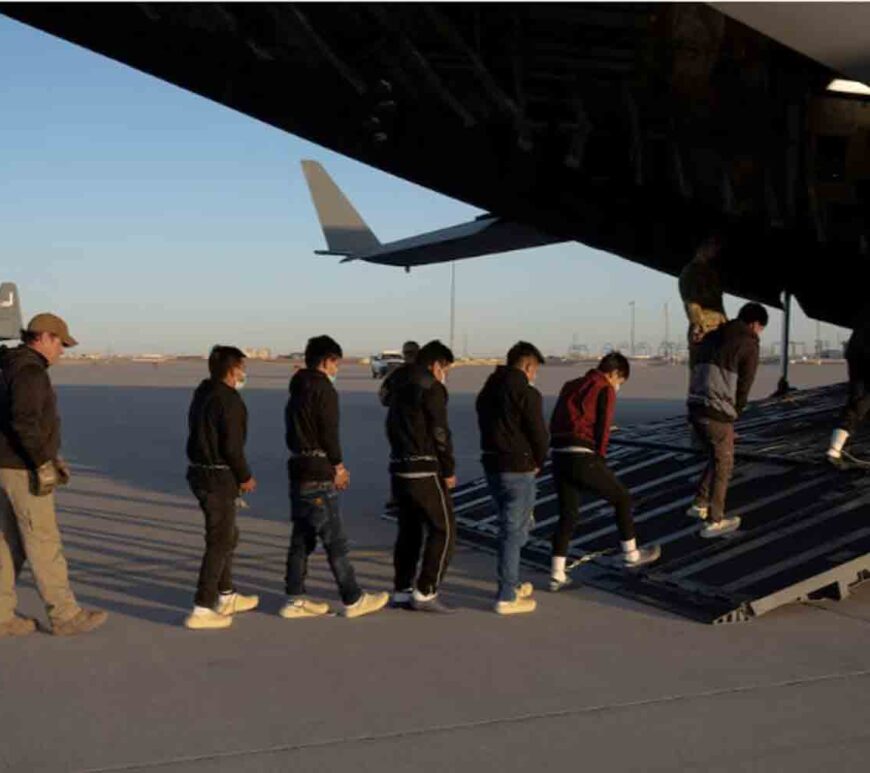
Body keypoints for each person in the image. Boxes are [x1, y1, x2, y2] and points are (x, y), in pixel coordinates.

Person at [0, 313, 108, 637]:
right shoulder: (30, 372)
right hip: (21, 470)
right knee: (43, 542)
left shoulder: (9, 366)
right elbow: (24, 422)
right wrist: (41, 462)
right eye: (60, 343)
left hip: (5, 466)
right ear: (44, 337)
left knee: (7, 544)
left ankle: (2, 616)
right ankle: (64, 615)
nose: (62, 350)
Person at [281, 335, 388, 619]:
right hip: (318, 470)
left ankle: (294, 598)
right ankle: (353, 598)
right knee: (335, 540)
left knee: (301, 538)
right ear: (327, 360)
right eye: (335, 363)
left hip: (298, 467)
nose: (336, 369)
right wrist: (338, 467)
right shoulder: (323, 390)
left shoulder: (297, 388)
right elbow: (329, 433)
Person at [549, 352, 660, 591]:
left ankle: (557, 574)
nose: (618, 386)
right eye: (620, 382)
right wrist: (599, 458)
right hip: (582, 454)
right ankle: (631, 554)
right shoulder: (604, 388)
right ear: (615, 373)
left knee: (568, 514)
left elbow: (555, 420)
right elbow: (603, 427)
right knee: (621, 497)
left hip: (559, 455)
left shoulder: (570, 385)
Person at [184, 345, 259, 630]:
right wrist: (245, 476)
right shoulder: (229, 401)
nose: (244, 373)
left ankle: (226, 595)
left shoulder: (202, 392)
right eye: (242, 367)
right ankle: (202, 607)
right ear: (232, 369)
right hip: (218, 477)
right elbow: (232, 446)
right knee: (219, 541)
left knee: (228, 534)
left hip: (199, 474)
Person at [476, 342, 548, 615]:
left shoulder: (487, 391)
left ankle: (512, 582)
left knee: (512, 525)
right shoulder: (527, 394)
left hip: (492, 463)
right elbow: (539, 433)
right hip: (519, 467)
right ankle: (506, 595)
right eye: (534, 370)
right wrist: (539, 460)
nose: (534, 375)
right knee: (513, 530)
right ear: (528, 366)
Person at [386, 339, 457, 613]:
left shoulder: (399, 383)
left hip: (399, 466)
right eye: (445, 368)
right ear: (435, 364)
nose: (445, 374)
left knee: (409, 531)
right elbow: (440, 431)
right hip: (424, 467)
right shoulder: (431, 387)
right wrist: (448, 468)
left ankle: (402, 589)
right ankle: (426, 590)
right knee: (445, 529)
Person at [687, 302, 768, 537]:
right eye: (761, 329)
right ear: (755, 324)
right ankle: (714, 520)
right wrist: (736, 412)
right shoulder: (749, 343)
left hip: (695, 404)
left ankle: (699, 503)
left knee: (716, 453)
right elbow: (745, 383)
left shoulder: (715, 335)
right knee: (725, 463)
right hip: (717, 409)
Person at [827, 305, 870, 467]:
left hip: (856, 353)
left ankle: (836, 447)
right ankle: (836, 449)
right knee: (862, 401)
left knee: (857, 399)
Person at [679, 235, 728, 367]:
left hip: (716, 329)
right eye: (713, 245)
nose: (716, 250)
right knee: (702, 376)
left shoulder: (710, 272)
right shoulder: (691, 272)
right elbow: (691, 303)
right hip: (705, 330)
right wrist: (699, 327)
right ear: (702, 247)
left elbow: (718, 305)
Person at [378, 339, 420, 407]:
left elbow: (384, 398)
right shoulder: (426, 375)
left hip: (399, 414)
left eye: (410, 353)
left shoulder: (395, 374)